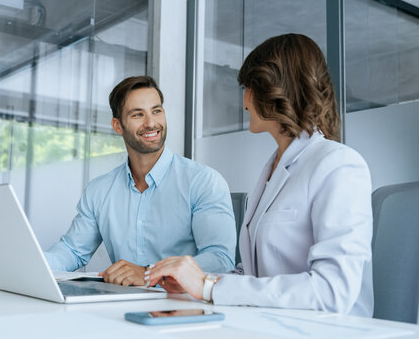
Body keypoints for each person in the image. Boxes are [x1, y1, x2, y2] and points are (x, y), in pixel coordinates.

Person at [146, 34, 374, 317]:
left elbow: (331, 291)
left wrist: (207, 286)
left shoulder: (338, 164)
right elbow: (255, 275)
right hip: (271, 324)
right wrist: (193, 284)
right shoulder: (273, 169)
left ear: (271, 89)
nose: (244, 102)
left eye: (248, 87)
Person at [45, 75, 236, 285]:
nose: (151, 123)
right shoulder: (99, 190)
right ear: (118, 126)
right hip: (120, 306)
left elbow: (220, 260)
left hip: (183, 307)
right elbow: (72, 250)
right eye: (138, 114)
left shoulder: (202, 181)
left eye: (156, 111)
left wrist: (149, 273)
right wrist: (33, 264)